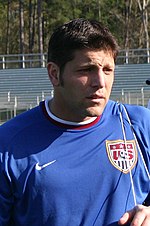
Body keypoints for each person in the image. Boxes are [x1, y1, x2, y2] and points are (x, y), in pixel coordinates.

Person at [0, 18, 150, 226]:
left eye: (108, 70)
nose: (100, 83)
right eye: (86, 70)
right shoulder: (7, 143)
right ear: (54, 74)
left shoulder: (139, 125)